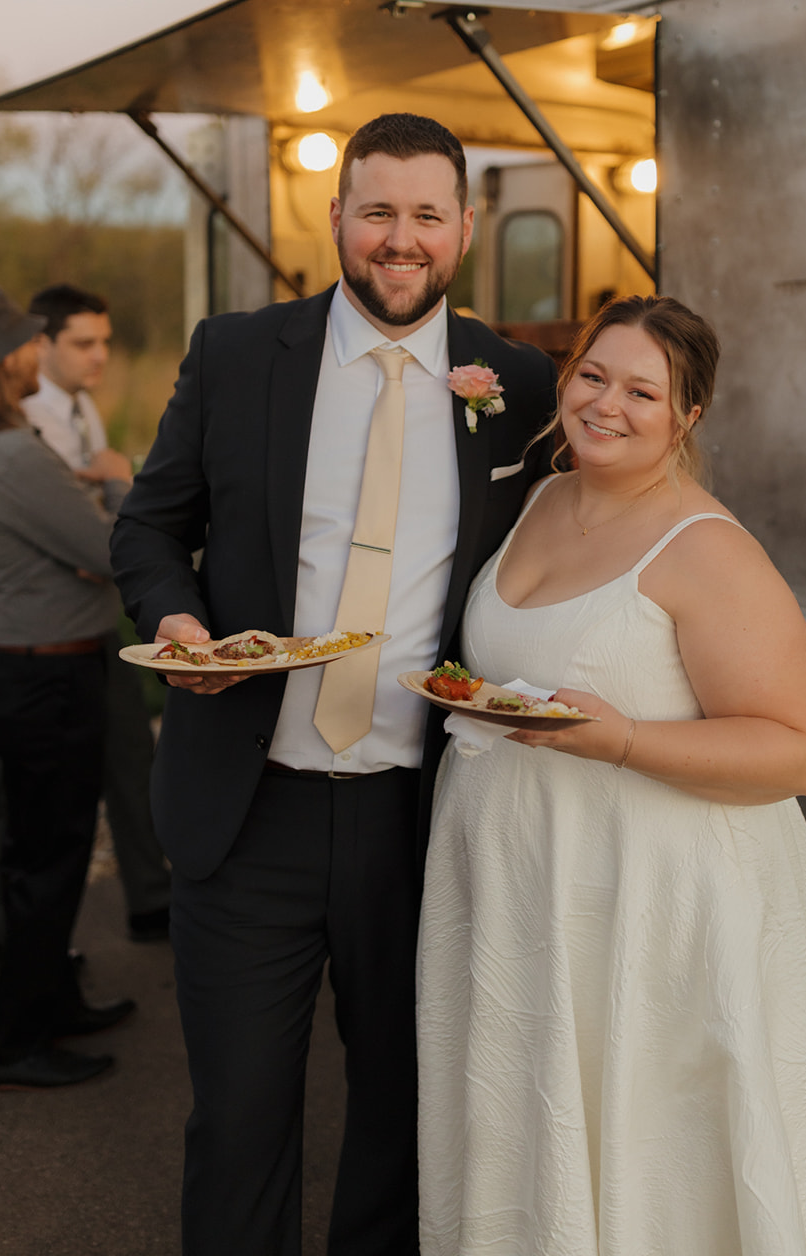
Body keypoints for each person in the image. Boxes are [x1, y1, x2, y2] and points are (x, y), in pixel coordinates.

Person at [110, 112, 558, 1256]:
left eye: (423, 215)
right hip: (248, 802)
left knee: (406, 1120)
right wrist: (178, 619)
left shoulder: (517, 381)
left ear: (463, 226)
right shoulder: (232, 352)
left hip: (424, 815)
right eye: (376, 212)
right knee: (243, 1119)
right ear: (336, 218)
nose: (397, 240)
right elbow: (152, 527)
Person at [417, 294, 806, 1256]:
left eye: (643, 391)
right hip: (526, 891)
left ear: (688, 417)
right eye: (593, 377)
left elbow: (797, 752)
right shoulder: (539, 496)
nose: (607, 404)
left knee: (661, 1153)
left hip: (651, 907)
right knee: (540, 1131)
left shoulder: (708, 549)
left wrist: (627, 740)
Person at [0, 287, 138, 1090]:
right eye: (23, 342)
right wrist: (118, 482)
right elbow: (104, 550)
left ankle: (49, 1001)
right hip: (45, 674)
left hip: (29, 664)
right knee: (49, 860)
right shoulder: (11, 452)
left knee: (38, 851)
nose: (34, 351)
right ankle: (13, 1043)